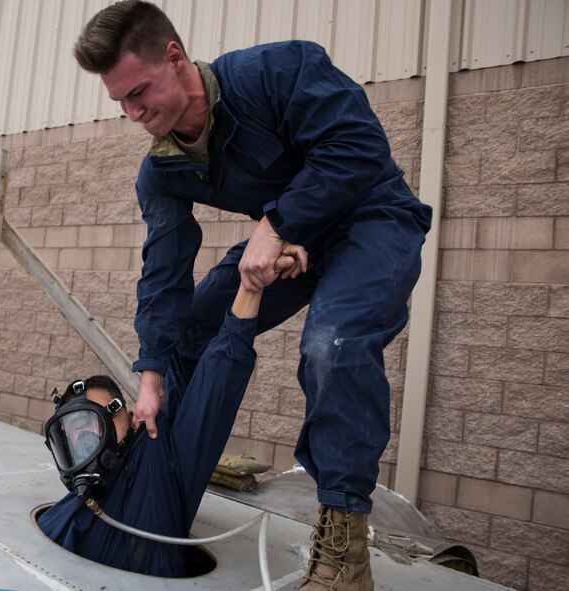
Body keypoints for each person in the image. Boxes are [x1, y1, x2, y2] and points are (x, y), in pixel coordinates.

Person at [71, 2, 433, 590]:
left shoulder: (276, 71)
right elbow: (164, 272)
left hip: (374, 220)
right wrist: (152, 375)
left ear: (175, 56)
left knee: (330, 345)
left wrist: (276, 223)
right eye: (121, 103)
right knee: (192, 328)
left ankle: (344, 556)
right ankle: (165, 480)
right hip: (293, 239)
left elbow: (359, 148)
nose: (134, 113)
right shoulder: (160, 170)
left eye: (139, 92)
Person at [39, 283, 281, 576]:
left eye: (98, 420)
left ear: (129, 419)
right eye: (76, 426)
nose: (88, 434)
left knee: (189, 335)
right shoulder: (63, 517)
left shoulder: (161, 464)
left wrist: (250, 286)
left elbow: (215, 388)